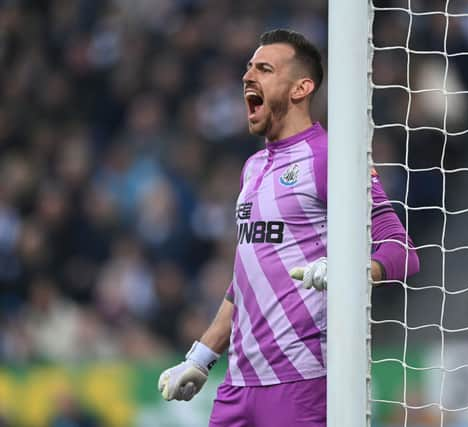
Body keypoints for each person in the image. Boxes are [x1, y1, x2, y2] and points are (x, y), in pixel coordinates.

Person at [157, 29, 420, 427]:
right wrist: (201, 356)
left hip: (301, 384)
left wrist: (351, 273)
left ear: (301, 87)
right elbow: (245, 281)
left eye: (264, 69)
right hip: (238, 385)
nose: (248, 77)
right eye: (247, 68)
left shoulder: (331, 157)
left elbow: (401, 251)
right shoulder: (252, 167)